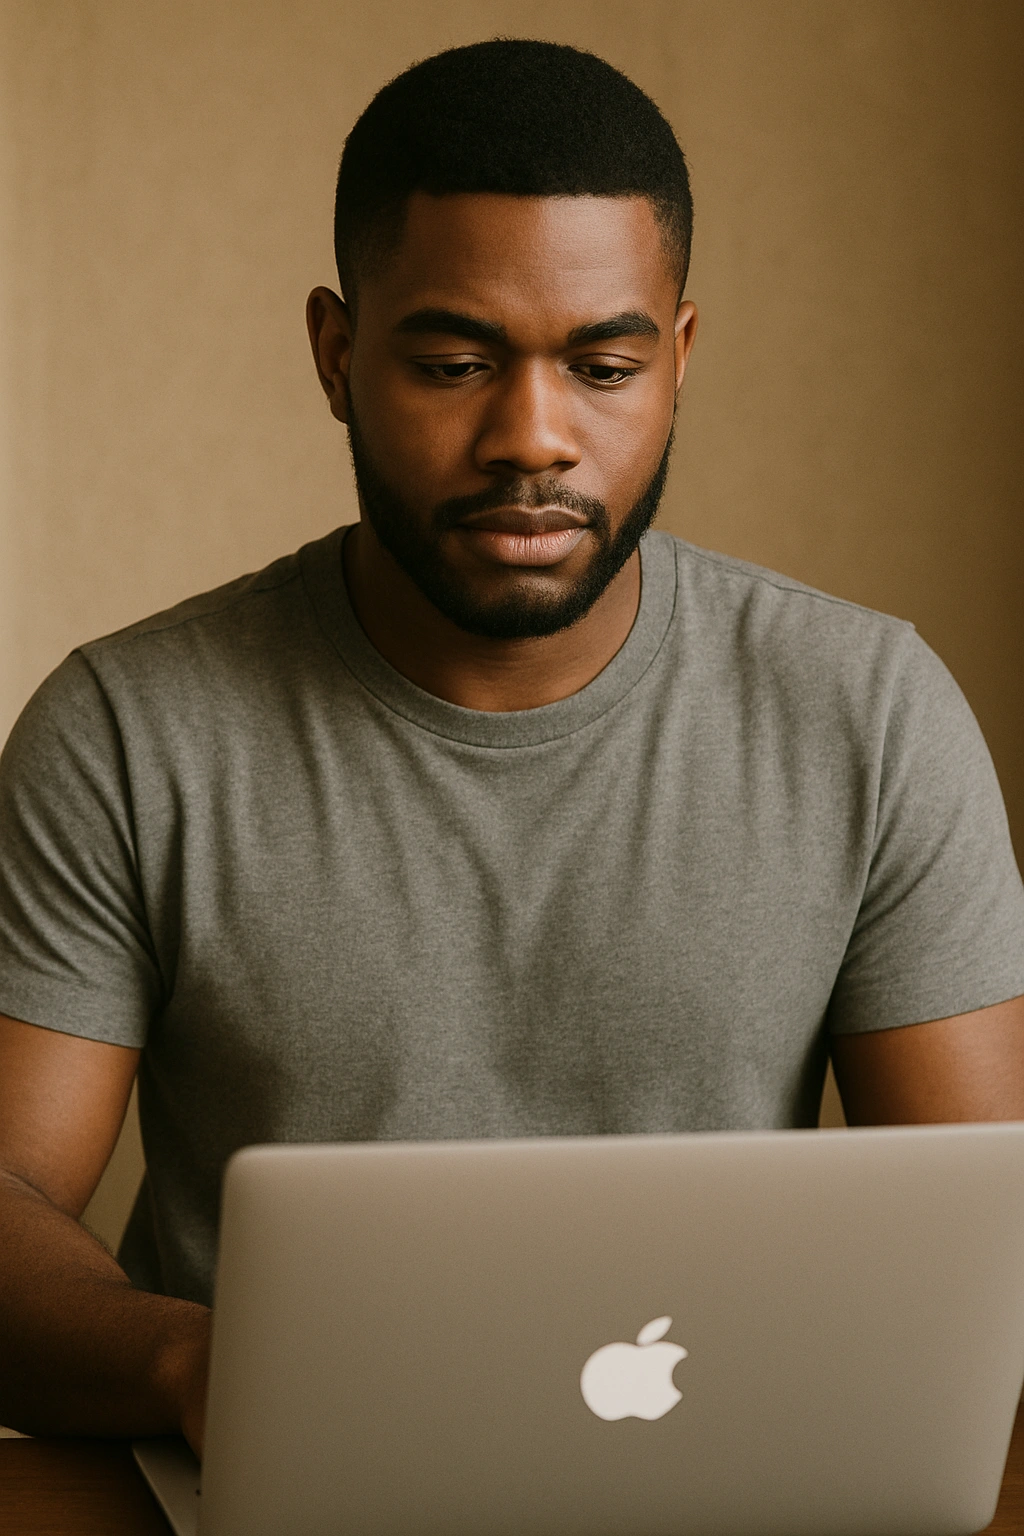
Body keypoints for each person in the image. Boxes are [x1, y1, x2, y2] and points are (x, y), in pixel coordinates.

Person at [0, 37, 1022, 1457]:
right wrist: (209, 1373)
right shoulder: (125, 733)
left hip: (735, 1484)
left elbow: (980, 1243)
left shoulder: (871, 712)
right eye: (455, 361)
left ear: (678, 360)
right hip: (278, 1484)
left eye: (601, 364)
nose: (530, 437)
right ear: (338, 356)